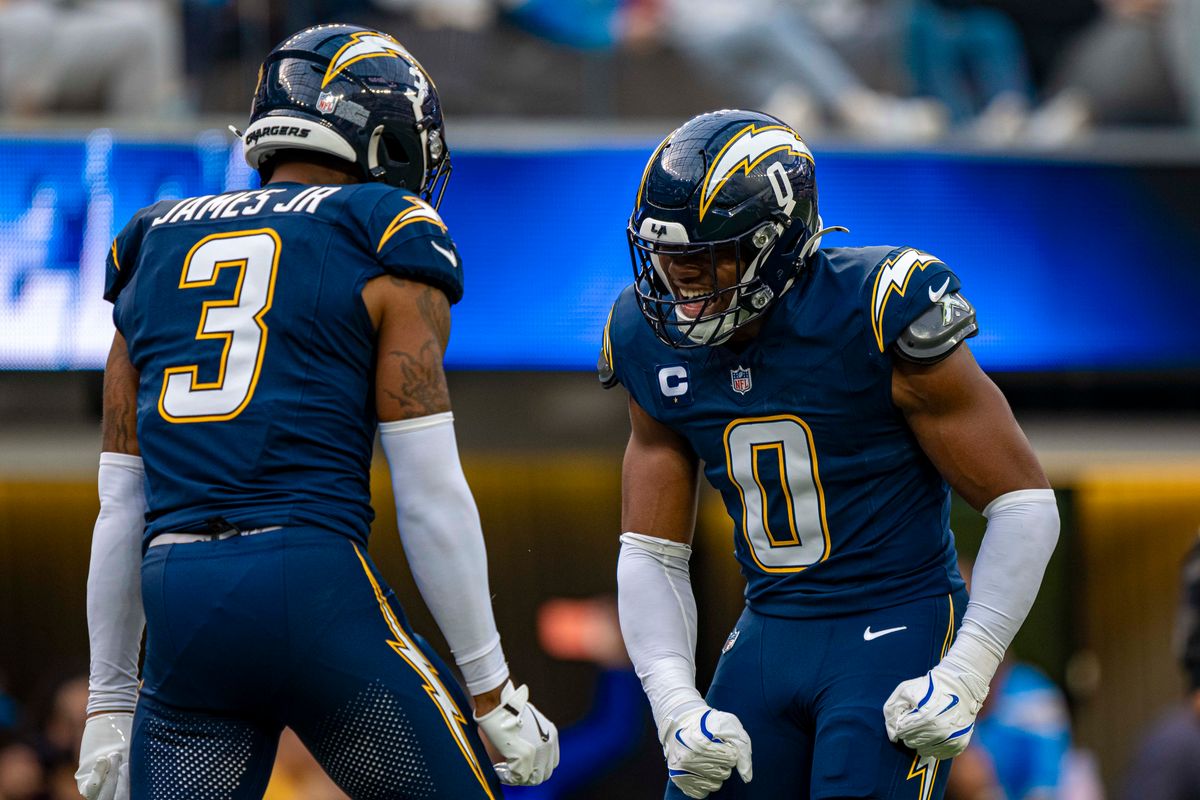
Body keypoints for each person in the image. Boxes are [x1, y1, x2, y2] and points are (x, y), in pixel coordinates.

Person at [73, 23, 559, 800]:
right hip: (308, 585)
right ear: (385, 137)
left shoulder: (148, 243)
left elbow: (120, 503)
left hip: (178, 602)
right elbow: (430, 492)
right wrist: (492, 688)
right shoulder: (384, 230)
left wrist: (107, 699)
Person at [599, 109, 1060, 799]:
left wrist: (969, 669)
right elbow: (650, 549)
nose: (681, 281)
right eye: (668, 257)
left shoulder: (876, 307)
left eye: (706, 257)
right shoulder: (644, 333)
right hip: (766, 630)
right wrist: (673, 703)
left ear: (777, 243)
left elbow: (1024, 504)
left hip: (896, 619)